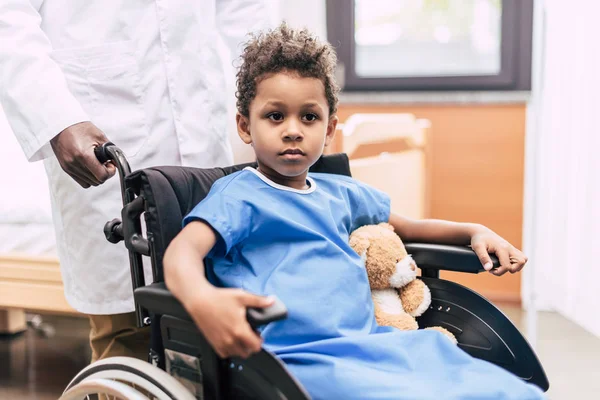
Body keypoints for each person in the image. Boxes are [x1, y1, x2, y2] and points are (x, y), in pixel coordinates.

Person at [162, 24, 545, 399]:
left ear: (329, 130)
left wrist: (473, 230)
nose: (293, 130)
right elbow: (183, 251)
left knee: (499, 387)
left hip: (374, 345)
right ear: (246, 126)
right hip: (294, 361)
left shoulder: (341, 192)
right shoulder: (238, 196)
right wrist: (201, 300)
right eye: (275, 116)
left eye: (309, 117)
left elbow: (410, 228)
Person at [0, 0, 270, 363]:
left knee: (218, 333)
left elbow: (246, 11)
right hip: (106, 135)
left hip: (201, 130)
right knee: (126, 335)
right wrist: (58, 120)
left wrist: (277, 94)